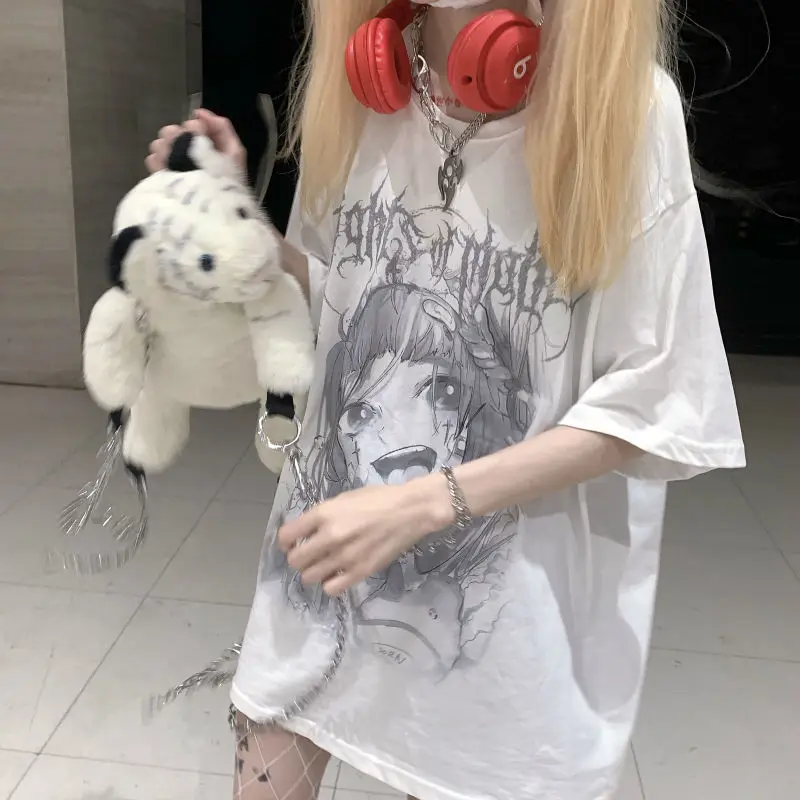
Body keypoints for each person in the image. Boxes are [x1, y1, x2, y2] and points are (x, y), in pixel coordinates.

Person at [146, 1, 745, 798]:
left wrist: (427, 501)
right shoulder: (360, 90)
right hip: (326, 565)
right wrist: (235, 221)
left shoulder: (623, 104)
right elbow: (340, 304)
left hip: (503, 625)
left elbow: (652, 399)